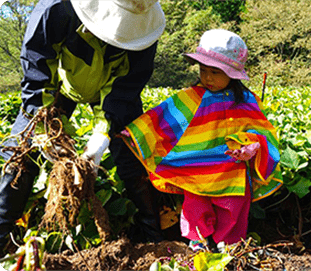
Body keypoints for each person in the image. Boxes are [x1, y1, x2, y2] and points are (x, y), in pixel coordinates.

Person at [0, 0, 166, 254]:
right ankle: (1, 233)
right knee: (19, 152)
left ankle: (155, 239)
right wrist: (46, 127)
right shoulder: (55, 9)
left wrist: (101, 136)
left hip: (109, 94)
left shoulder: (145, 31)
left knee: (134, 153)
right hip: (59, 87)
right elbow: (37, 70)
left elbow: (122, 92)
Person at [119, 29, 283, 252]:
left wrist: (251, 147)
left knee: (232, 214)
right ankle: (198, 249)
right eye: (203, 70)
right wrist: (137, 132)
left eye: (215, 72)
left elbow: (263, 134)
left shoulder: (246, 100)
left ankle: (230, 254)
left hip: (233, 175)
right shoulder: (192, 96)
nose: (207, 78)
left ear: (232, 74)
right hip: (196, 172)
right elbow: (163, 118)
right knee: (196, 211)